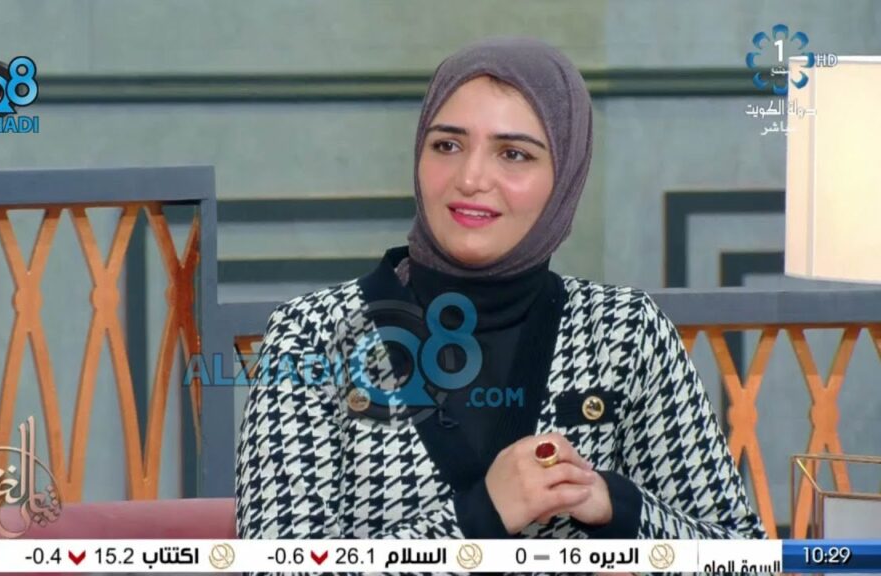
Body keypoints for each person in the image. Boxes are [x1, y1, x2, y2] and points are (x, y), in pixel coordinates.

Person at [235, 37, 766, 553]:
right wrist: (482, 517)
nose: (470, 178)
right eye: (447, 145)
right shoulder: (312, 334)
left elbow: (741, 557)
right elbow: (278, 565)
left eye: (513, 154)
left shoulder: (624, 332)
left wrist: (617, 505)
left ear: (565, 176)